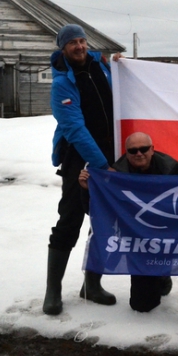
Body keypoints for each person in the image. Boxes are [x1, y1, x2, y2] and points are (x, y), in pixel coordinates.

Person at [80, 132, 178, 334]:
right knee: (142, 305)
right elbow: (98, 215)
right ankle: (161, 276)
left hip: (177, 229)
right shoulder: (116, 176)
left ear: (153, 149)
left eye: (144, 149)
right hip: (142, 239)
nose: (139, 153)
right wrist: (88, 189)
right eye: (133, 150)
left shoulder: (171, 169)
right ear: (126, 153)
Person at [43, 24, 117, 316]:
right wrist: (101, 165)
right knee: (70, 220)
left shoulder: (103, 66)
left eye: (82, 40)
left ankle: (92, 284)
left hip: (112, 155)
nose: (79, 46)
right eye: (72, 42)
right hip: (80, 159)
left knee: (102, 222)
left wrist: (122, 65)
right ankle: (53, 290)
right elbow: (74, 129)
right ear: (63, 48)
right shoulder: (61, 84)